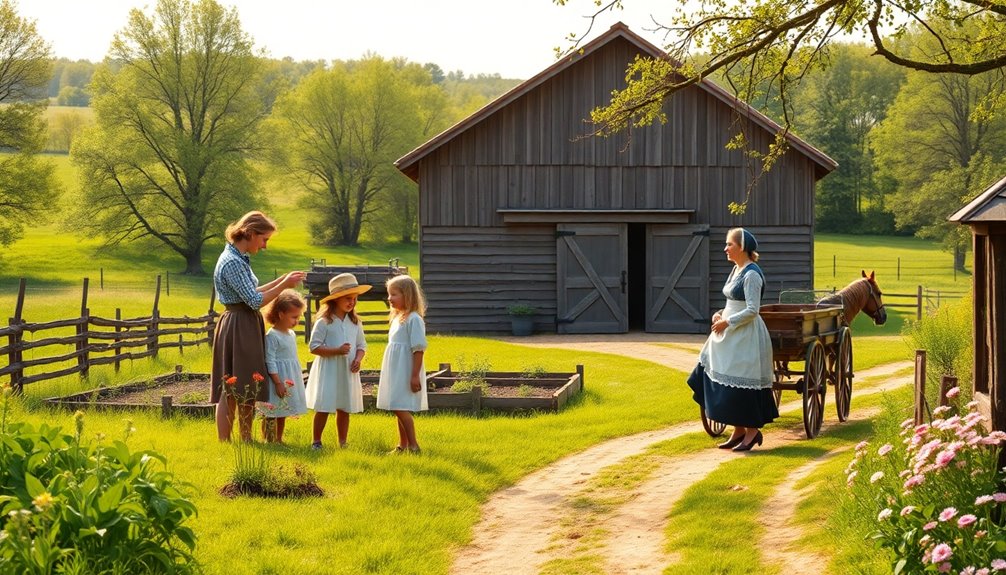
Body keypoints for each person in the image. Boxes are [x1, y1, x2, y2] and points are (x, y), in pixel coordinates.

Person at [211, 210, 305, 442]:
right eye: (264, 239)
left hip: (244, 322)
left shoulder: (238, 257)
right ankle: (229, 441)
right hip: (239, 325)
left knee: (245, 384)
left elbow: (252, 292)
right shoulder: (232, 262)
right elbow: (254, 301)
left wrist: (283, 280)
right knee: (234, 386)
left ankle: (245, 438)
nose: (265, 246)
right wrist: (284, 286)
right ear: (251, 233)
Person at [686, 227, 777, 451]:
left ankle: (752, 432)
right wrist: (720, 313)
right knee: (709, 371)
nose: (725, 248)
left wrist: (727, 321)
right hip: (728, 332)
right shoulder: (737, 270)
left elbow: (752, 310)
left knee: (740, 377)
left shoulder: (752, 274)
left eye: (730, 245)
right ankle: (738, 430)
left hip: (745, 334)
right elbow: (732, 303)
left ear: (743, 247)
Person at [305, 273, 370, 449]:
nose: (352, 302)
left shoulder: (355, 322)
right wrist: (337, 350)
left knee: (344, 405)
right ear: (336, 299)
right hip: (329, 369)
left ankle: (342, 442)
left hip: (347, 370)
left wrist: (358, 359)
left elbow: (361, 344)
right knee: (324, 405)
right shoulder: (324, 322)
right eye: (348, 298)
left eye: (355, 299)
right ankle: (316, 441)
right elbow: (314, 347)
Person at [376, 274, 428, 454]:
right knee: (398, 405)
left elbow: (418, 349)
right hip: (395, 369)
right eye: (389, 294)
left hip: (405, 370)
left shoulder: (414, 319)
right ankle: (402, 445)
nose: (389, 298)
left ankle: (413, 445)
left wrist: (414, 375)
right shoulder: (399, 318)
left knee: (399, 406)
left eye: (394, 294)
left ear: (407, 295)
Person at [260, 289, 309, 443]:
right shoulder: (272, 336)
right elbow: (270, 360)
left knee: (283, 410)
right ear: (281, 314)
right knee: (272, 410)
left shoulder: (291, 334)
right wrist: (277, 382)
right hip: (277, 379)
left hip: (289, 376)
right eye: (294, 317)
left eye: (299, 317)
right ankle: (269, 439)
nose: (297, 321)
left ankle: (279, 439)